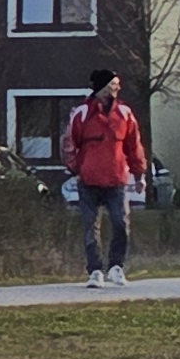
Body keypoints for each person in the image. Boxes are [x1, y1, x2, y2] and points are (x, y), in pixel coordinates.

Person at [61, 70, 147, 289]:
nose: (118, 87)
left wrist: (139, 174)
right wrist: (75, 169)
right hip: (88, 181)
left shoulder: (125, 113)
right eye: (113, 84)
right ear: (102, 87)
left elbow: (134, 146)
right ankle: (95, 271)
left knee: (120, 223)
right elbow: (69, 143)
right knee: (91, 227)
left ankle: (116, 266)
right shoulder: (81, 113)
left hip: (116, 180)